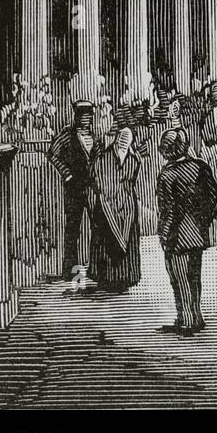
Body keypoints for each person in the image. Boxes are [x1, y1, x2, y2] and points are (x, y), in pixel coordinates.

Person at [156, 128, 217, 336]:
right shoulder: (200, 167)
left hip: (176, 236)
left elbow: (167, 211)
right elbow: (215, 198)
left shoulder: (167, 175)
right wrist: (203, 221)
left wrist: (165, 236)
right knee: (194, 277)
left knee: (179, 278)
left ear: (168, 151)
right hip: (197, 234)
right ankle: (196, 315)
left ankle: (186, 320)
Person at [88, 124, 142, 292]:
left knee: (128, 237)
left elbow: (131, 179)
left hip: (126, 203)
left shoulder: (134, 158)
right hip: (106, 203)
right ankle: (106, 278)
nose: (124, 144)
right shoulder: (104, 157)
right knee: (105, 239)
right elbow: (97, 179)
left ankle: (126, 277)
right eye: (122, 141)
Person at [48, 99, 96, 280]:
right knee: (73, 228)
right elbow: (53, 154)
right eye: (83, 116)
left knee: (97, 226)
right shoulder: (67, 135)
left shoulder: (94, 136)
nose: (86, 119)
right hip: (74, 188)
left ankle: (96, 268)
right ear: (77, 117)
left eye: (89, 116)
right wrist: (66, 173)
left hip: (91, 187)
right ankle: (70, 270)